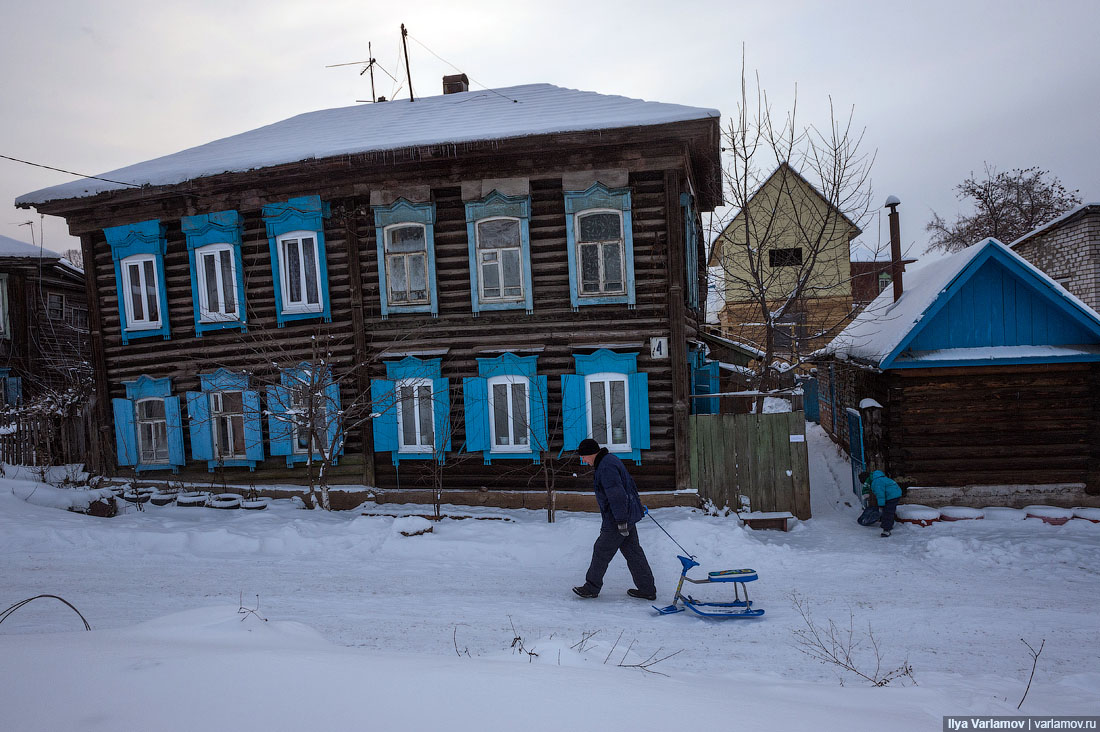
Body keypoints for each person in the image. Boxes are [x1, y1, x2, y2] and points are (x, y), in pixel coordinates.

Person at [572, 438, 657, 601]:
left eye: (583, 456)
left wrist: (621, 521)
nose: (582, 460)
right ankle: (647, 589)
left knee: (601, 550)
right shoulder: (609, 460)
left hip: (618, 519)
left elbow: (617, 495)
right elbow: (629, 486)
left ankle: (591, 587)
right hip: (626, 515)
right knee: (633, 552)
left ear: (591, 453)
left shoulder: (606, 467)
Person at [860, 469, 902, 537]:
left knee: (887, 512)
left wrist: (881, 506)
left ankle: (886, 530)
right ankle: (887, 523)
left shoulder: (876, 482)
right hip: (892, 494)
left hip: (893, 496)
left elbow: (880, 495)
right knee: (888, 510)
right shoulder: (876, 479)